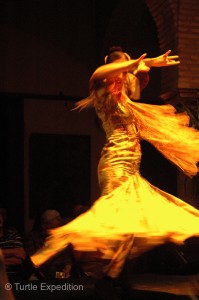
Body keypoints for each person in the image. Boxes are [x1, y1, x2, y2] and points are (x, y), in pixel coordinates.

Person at [31, 47, 199, 281]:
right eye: (122, 74)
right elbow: (100, 72)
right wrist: (136, 64)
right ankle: (40, 259)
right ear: (114, 74)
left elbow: (139, 84)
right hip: (115, 163)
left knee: (132, 218)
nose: (125, 80)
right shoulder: (103, 94)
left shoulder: (125, 101)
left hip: (131, 165)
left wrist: (144, 69)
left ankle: (112, 274)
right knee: (110, 213)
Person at [25, 209, 73, 279]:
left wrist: (68, 267)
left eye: (57, 228)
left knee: (71, 281)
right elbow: (32, 261)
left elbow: (67, 257)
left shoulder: (61, 238)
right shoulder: (32, 238)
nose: (56, 231)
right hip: (40, 274)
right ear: (44, 225)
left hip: (57, 274)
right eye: (53, 228)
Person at [0, 207, 26, 282]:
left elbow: (19, 260)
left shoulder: (13, 235)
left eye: (1, 214)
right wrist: (14, 252)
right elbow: (17, 253)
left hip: (13, 277)